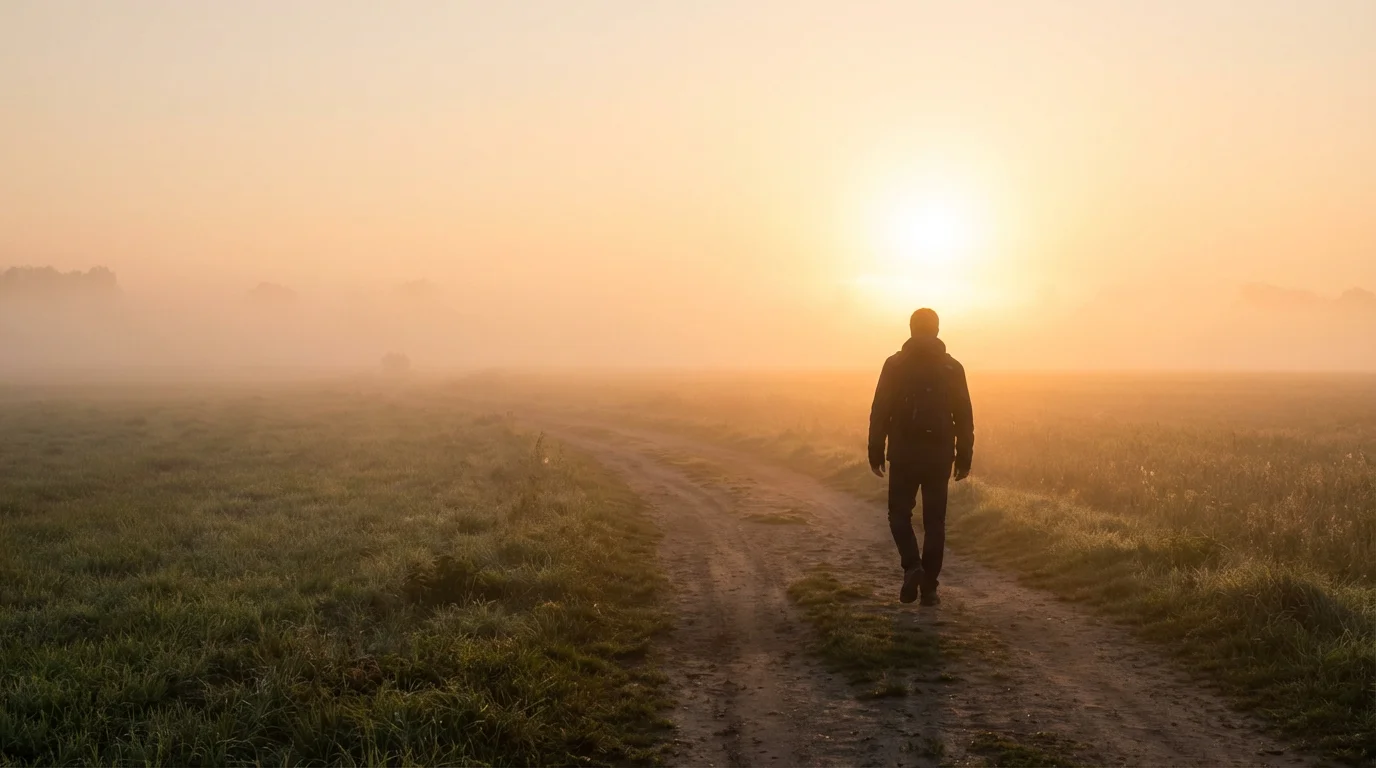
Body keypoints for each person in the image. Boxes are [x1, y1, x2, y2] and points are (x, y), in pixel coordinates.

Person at [867, 308, 974, 606]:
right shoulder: (953, 368)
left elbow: (880, 409)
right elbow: (964, 415)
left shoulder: (894, 365)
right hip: (939, 455)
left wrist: (875, 450)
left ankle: (912, 566)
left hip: (903, 453)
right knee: (935, 522)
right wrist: (964, 455)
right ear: (937, 330)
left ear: (912, 329)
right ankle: (929, 589)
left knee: (898, 514)